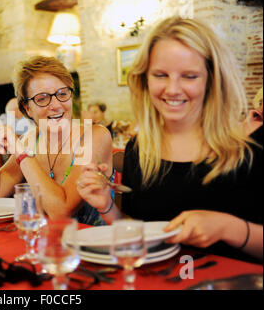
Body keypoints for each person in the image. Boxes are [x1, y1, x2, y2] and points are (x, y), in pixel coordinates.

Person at [77, 17, 262, 262]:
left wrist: (228, 227)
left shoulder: (249, 149)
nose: (173, 89)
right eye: (161, 75)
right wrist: (107, 207)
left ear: (212, 79)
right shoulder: (139, 149)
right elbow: (142, 231)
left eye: (189, 76)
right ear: (145, 79)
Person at [0, 56, 113, 225]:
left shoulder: (94, 136)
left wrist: (21, 152)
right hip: (44, 244)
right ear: (27, 109)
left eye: (62, 94)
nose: (56, 105)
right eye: (42, 98)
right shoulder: (32, 140)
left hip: (90, 246)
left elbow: (61, 211)